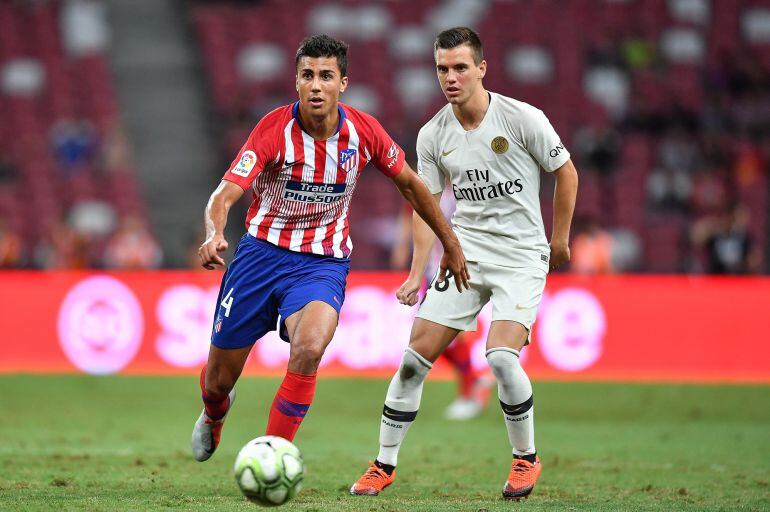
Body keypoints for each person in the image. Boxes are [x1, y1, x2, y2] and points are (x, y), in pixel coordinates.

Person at [191, 35, 469, 463]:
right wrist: (214, 231)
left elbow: (413, 186)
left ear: (343, 83)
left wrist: (450, 244)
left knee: (309, 348)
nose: (316, 85)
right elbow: (225, 193)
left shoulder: (363, 131)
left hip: (321, 263)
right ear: (296, 83)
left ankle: (274, 453)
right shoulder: (273, 130)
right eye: (307, 76)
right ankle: (215, 412)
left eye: (326, 76)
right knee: (217, 381)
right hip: (258, 258)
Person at [350, 27, 578, 500]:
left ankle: (525, 460)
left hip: (520, 254)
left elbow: (565, 172)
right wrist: (417, 271)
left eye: (459, 67)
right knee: (413, 362)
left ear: (481, 69)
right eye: (441, 69)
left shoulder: (521, 118)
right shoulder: (434, 134)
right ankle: (383, 464)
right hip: (465, 254)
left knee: (499, 356)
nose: (450, 77)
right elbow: (425, 205)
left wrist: (558, 239)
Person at [390, 189, 492, 421]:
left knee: (450, 334)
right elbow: (411, 212)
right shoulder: (430, 187)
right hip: (433, 272)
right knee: (431, 338)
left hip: (458, 269)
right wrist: (402, 246)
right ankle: (474, 381)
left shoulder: (467, 185)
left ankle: (469, 393)